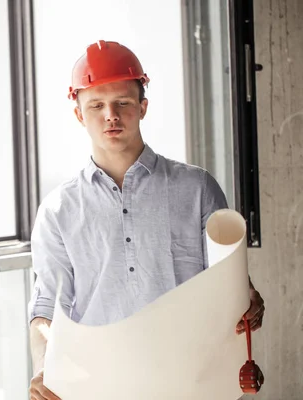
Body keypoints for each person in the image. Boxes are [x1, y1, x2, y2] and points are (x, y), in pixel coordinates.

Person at [27, 40, 265, 400]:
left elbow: (230, 283)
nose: (111, 114)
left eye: (122, 102)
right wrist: (46, 366)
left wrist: (246, 298)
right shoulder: (58, 210)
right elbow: (47, 308)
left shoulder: (197, 189)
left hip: (191, 382)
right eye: (96, 105)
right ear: (79, 114)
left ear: (142, 107)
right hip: (98, 386)